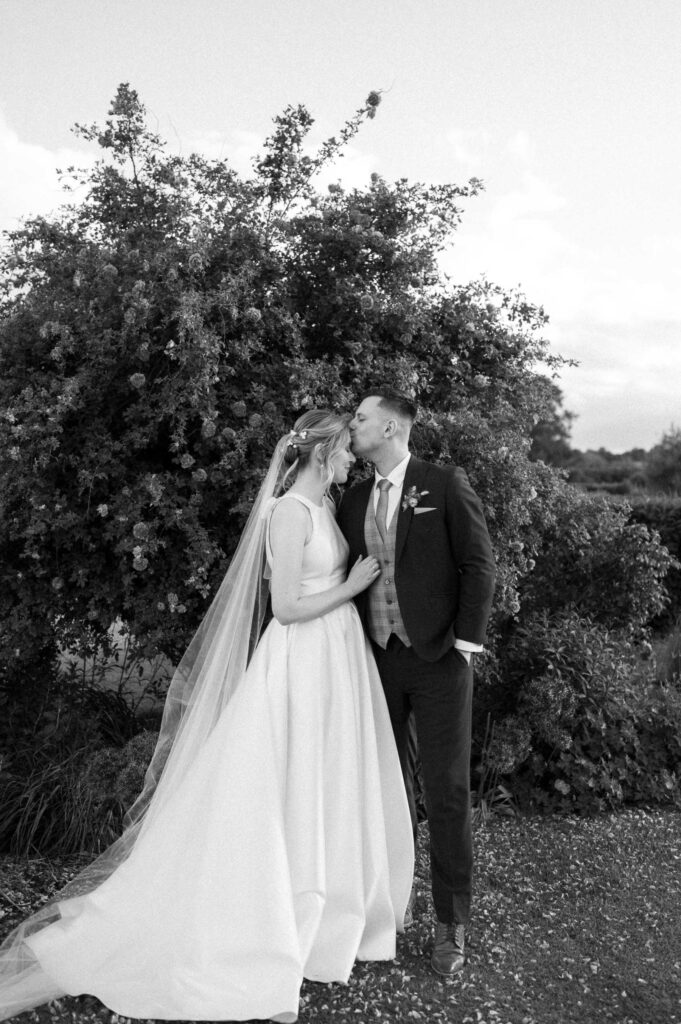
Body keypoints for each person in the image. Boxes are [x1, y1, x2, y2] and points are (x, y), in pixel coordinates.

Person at [0, 410, 414, 1024]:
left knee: (323, 779)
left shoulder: (324, 507)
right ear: (324, 454)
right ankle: (269, 922)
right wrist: (353, 587)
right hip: (302, 658)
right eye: (345, 450)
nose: (353, 457)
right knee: (289, 782)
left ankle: (327, 912)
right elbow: (289, 608)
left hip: (337, 659)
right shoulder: (289, 514)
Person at [337, 388, 496, 976]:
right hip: (375, 660)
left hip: (438, 662)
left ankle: (452, 924)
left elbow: (479, 564)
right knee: (383, 787)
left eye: (360, 419)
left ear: (392, 429)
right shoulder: (351, 500)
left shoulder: (444, 482)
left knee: (447, 792)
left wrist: (464, 647)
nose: (352, 426)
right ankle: (388, 904)